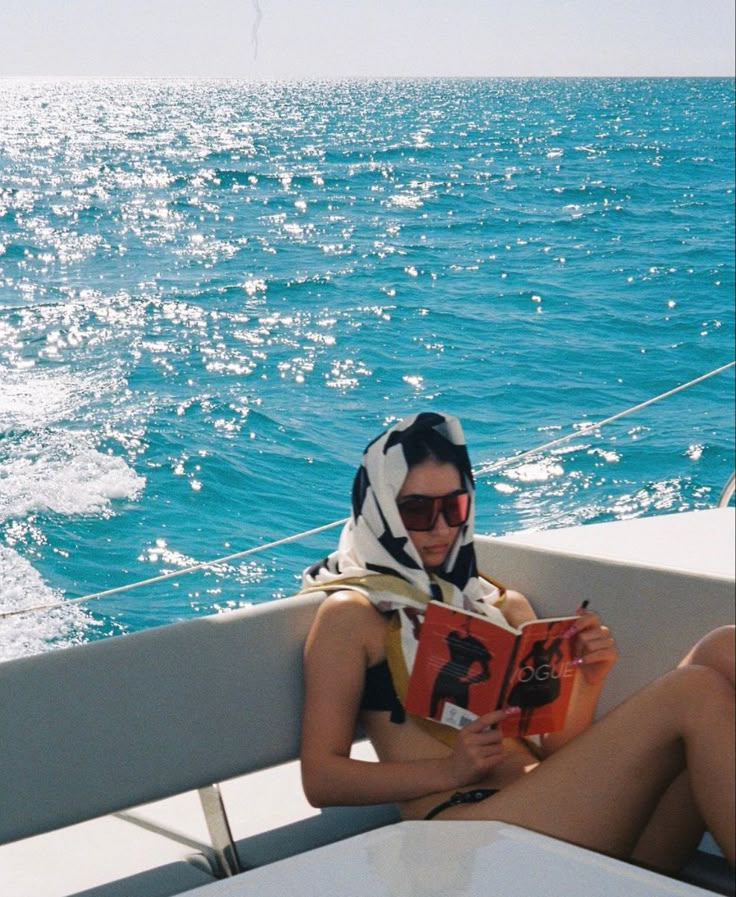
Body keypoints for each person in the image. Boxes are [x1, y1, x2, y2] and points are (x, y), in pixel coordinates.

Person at [300, 411, 735, 873]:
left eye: (455, 507)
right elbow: (321, 779)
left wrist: (588, 679)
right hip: (469, 833)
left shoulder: (500, 606)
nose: (441, 528)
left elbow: (555, 753)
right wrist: (449, 772)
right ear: (381, 511)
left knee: (722, 647)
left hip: (558, 817)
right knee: (694, 691)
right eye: (417, 511)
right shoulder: (355, 614)